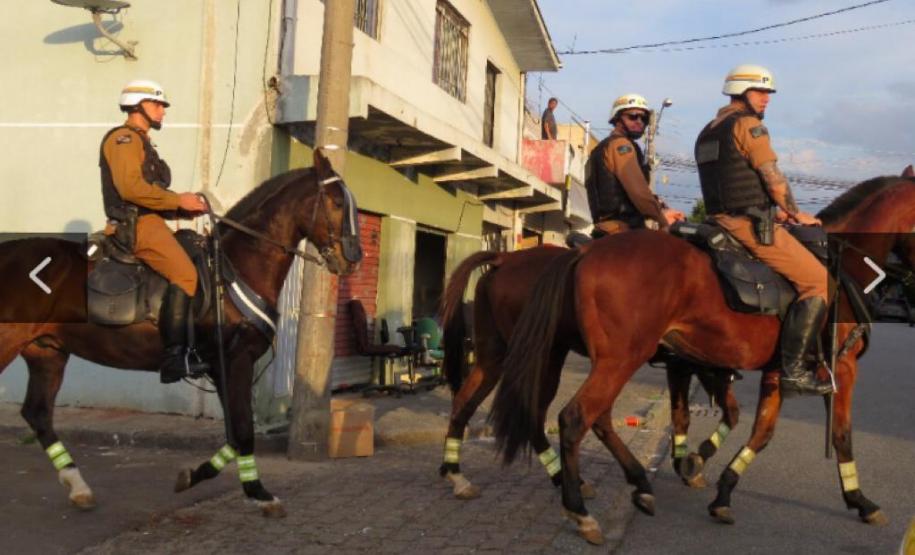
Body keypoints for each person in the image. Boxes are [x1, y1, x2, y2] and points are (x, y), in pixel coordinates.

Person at [694, 64, 831, 396]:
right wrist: (795, 213)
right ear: (741, 91)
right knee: (817, 281)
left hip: (718, 220)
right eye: (760, 92)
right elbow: (771, 176)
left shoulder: (707, 130)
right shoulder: (748, 125)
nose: (767, 99)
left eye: (768, 93)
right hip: (747, 224)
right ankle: (795, 371)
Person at [99, 79, 210, 384]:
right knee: (186, 275)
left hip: (151, 221)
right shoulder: (124, 139)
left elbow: (149, 193)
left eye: (162, 106)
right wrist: (177, 199)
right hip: (136, 226)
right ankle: (175, 357)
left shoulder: (143, 142)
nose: (163, 111)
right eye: (157, 105)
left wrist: (182, 209)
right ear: (138, 106)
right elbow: (130, 188)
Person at [585, 93, 678, 237]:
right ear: (617, 119)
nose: (639, 121)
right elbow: (638, 191)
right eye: (633, 116)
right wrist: (662, 218)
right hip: (623, 228)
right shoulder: (621, 145)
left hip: (602, 228)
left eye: (644, 118)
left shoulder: (599, 149)